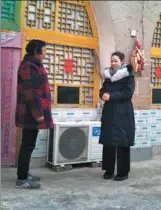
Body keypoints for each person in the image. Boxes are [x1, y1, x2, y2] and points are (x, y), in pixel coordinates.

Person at [15, 39, 53, 189]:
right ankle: (22, 179)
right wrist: (38, 113)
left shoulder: (34, 65)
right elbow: (31, 93)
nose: (44, 54)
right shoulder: (29, 67)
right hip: (30, 113)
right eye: (43, 51)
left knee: (28, 145)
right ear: (35, 52)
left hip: (31, 112)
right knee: (27, 145)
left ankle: (24, 173)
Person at [99, 51, 135, 181]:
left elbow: (128, 93)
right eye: (112, 61)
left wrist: (111, 96)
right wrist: (102, 94)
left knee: (122, 142)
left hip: (123, 112)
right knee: (108, 142)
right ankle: (108, 170)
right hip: (109, 112)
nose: (113, 63)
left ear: (122, 62)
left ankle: (123, 172)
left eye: (116, 61)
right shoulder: (108, 76)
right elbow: (102, 89)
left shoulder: (128, 76)